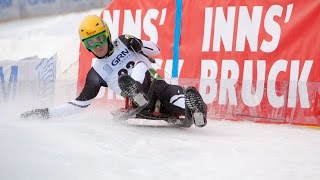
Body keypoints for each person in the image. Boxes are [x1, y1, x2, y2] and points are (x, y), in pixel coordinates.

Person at [21, 15, 207, 127]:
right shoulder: (96, 73)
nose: (98, 46)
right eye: (91, 43)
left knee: (177, 96)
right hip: (141, 101)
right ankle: (136, 92)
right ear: (86, 47)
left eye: (100, 39)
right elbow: (79, 104)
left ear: (107, 35)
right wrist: (46, 113)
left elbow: (156, 50)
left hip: (159, 86)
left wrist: (140, 45)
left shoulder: (124, 41)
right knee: (138, 68)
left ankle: (197, 112)